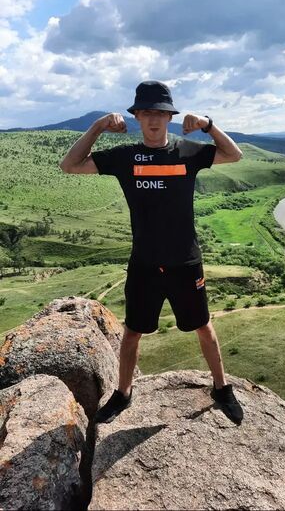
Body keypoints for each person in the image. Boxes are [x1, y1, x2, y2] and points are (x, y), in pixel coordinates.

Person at [59, 80, 244, 425]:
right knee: (132, 331)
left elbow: (235, 155)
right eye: (146, 113)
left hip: (185, 261)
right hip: (144, 263)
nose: (154, 119)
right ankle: (123, 393)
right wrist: (98, 125)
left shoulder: (188, 152)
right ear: (137, 117)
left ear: (170, 117)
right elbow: (69, 165)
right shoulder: (125, 157)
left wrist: (207, 124)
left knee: (203, 326)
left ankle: (221, 388)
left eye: (160, 113)